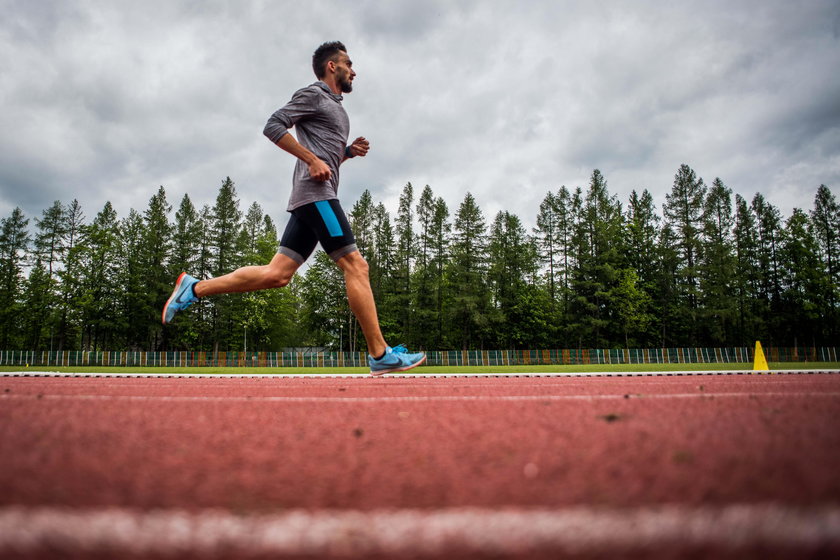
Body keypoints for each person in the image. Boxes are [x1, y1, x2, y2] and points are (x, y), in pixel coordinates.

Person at [162, 41, 425, 375]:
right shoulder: (313, 94)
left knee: (277, 275)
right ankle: (380, 354)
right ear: (332, 66)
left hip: (312, 195)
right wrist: (311, 159)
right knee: (356, 265)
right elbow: (273, 125)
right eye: (348, 63)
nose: (353, 70)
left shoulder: (335, 106)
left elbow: (325, 157)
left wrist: (345, 153)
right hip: (317, 195)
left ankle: (194, 288)